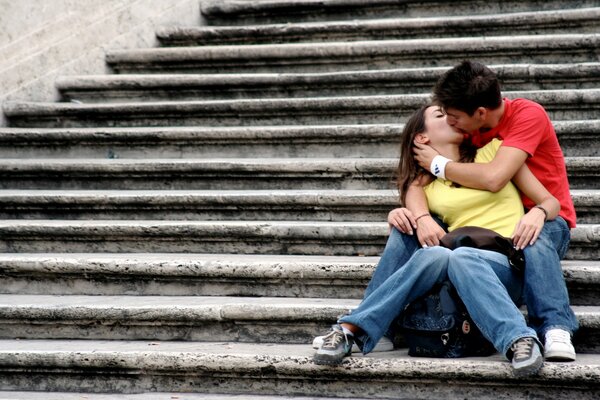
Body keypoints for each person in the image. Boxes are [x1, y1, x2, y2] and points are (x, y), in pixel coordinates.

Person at [313, 104, 560, 376]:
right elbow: (412, 192)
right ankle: (348, 331)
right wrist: (407, 215)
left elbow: (551, 201)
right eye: (441, 116)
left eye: (452, 113)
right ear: (422, 138)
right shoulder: (425, 185)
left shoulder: (493, 153)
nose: (452, 118)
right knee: (437, 254)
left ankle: (519, 338)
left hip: (504, 264)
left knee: (461, 256)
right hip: (458, 266)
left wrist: (538, 212)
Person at [412, 61, 578, 361]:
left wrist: (437, 164)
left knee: (533, 237)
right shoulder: (469, 129)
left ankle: (555, 327)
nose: (450, 122)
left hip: (547, 217)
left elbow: (494, 178)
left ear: (480, 113)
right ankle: (370, 324)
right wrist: (420, 216)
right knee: (410, 225)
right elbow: (413, 183)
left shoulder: (527, 115)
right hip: (494, 236)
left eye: (454, 117)